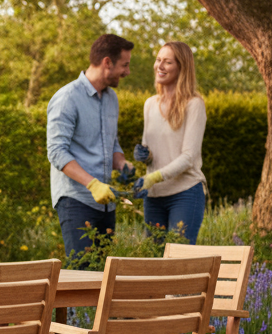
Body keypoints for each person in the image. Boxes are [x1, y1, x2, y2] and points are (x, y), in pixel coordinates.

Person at [47, 34, 136, 261]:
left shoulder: (111, 99)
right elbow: (56, 152)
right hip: (76, 200)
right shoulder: (67, 98)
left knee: (103, 273)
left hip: (106, 204)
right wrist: (92, 184)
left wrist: (122, 164)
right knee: (83, 271)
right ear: (107, 62)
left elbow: (112, 143)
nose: (127, 72)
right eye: (124, 65)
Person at [134, 41, 208, 245]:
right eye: (158, 60)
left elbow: (188, 157)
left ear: (181, 68)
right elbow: (151, 150)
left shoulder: (194, 105)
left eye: (167, 62)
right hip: (154, 196)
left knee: (178, 257)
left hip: (185, 193)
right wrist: (144, 155)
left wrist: (155, 176)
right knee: (153, 258)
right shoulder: (150, 104)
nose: (160, 66)